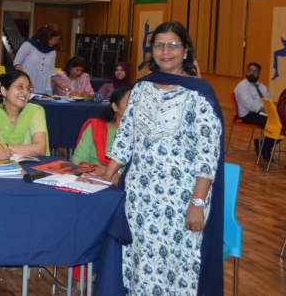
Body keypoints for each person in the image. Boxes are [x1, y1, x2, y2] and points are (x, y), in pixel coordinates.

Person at [97, 21, 224, 296]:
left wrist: (197, 203)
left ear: (185, 50)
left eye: (173, 45)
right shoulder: (141, 88)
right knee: (140, 262)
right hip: (140, 197)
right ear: (151, 50)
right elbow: (126, 135)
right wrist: (106, 175)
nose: (166, 51)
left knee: (178, 268)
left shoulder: (199, 94)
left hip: (181, 198)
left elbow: (208, 154)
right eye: (159, 45)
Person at [0, 70, 49, 157]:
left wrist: (6, 148)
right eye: (20, 87)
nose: (25, 92)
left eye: (28, 88)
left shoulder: (34, 111)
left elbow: (40, 149)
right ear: (4, 90)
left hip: (28, 164)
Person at [71, 86, 132, 185]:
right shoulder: (96, 127)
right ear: (115, 107)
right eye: (129, 103)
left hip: (125, 184)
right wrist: (107, 173)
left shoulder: (141, 136)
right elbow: (77, 160)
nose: (134, 107)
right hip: (92, 180)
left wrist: (118, 176)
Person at [233, 62, 274, 161]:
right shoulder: (242, 86)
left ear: (259, 74)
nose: (252, 73)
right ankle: (265, 148)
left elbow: (269, 101)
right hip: (248, 114)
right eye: (250, 71)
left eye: (255, 72)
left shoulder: (262, 86)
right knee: (272, 123)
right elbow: (250, 105)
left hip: (262, 113)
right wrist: (267, 111)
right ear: (246, 72)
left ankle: (263, 146)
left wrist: (273, 111)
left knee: (282, 124)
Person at [12, 24, 61, 96]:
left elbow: (51, 72)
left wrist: (60, 84)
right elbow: (17, 63)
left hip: (44, 89)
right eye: (55, 39)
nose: (56, 42)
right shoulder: (29, 44)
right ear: (48, 37)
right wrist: (26, 80)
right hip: (27, 86)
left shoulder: (52, 51)